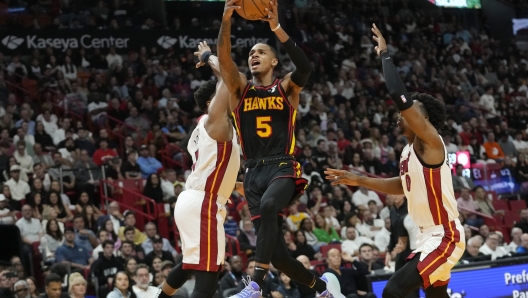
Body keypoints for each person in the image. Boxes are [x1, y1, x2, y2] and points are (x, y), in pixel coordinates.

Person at [325, 24, 465, 297]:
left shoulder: (431, 142)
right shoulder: (408, 151)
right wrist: (360, 179)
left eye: (411, 111)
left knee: (393, 291)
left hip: (444, 235)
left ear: (422, 119)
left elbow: (397, 94)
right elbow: (403, 186)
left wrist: (384, 54)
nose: (401, 115)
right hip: (426, 237)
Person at [218, 0, 341, 297]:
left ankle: (256, 285)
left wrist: (277, 29)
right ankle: (323, 290)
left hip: (282, 165)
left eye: (260, 52)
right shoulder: (240, 89)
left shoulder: (286, 87)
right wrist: (226, 18)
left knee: (272, 206)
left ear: (274, 61)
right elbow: (223, 60)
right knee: (279, 257)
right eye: (250, 53)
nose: (253, 56)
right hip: (252, 173)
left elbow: (306, 67)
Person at [155, 41, 241, 298]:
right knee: (209, 274)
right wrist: (209, 56)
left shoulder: (210, 126)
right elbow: (230, 76)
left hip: (198, 199)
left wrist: (234, 186)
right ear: (211, 101)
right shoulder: (216, 118)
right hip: (204, 202)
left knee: (190, 263)